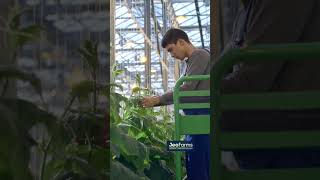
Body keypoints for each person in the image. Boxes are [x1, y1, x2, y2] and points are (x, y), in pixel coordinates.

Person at [219, 0, 320, 169]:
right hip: (285, 130)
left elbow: (251, 79)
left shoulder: (278, 5)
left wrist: (210, 93)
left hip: (289, 137)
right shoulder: (248, 10)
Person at [141, 28, 210, 180]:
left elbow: (186, 88)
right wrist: (157, 101)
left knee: (199, 161)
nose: (172, 55)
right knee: (188, 153)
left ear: (181, 42)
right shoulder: (190, 62)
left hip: (201, 118)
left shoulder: (200, 55)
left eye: (171, 50)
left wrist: (158, 99)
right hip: (193, 121)